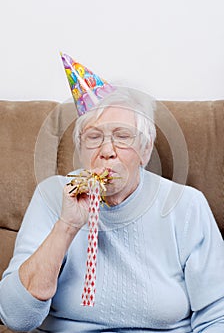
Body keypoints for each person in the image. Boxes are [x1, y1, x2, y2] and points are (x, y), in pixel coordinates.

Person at [0, 55, 224, 333]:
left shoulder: (186, 205)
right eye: (94, 137)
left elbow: (217, 316)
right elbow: (16, 318)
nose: (107, 150)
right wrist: (67, 227)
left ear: (145, 149)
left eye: (122, 136)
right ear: (80, 150)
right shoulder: (51, 195)